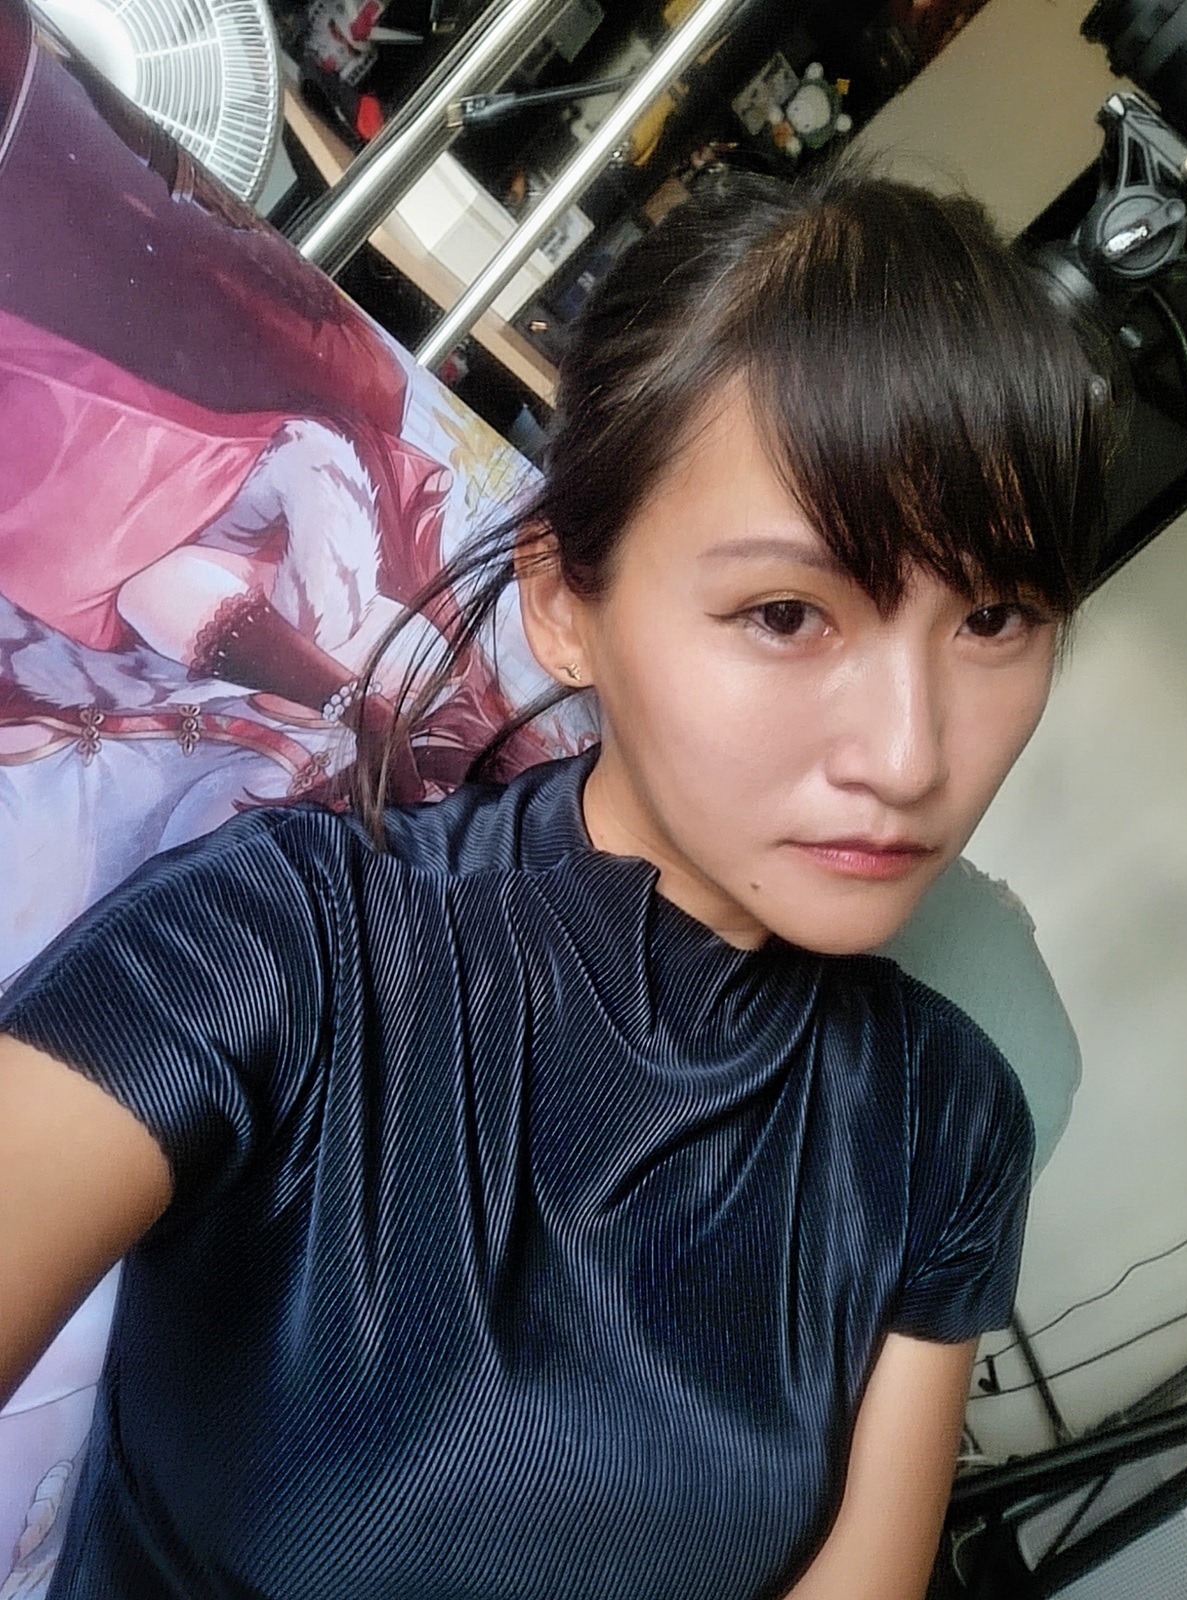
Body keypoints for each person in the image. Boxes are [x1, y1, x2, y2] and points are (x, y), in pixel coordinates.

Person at [0, 161, 1108, 1600]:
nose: (908, 757)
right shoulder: (281, 951)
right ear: (562, 599)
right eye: (787, 614)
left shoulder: (944, 1129)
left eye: (998, 616)